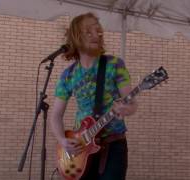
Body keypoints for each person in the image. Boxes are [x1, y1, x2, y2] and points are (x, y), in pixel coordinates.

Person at [49, 12, 137, 180]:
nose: (96, 34)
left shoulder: (114, 64)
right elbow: (55, 115)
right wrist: (62, 140)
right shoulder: (68, 75)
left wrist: (126, 109)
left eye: (98, 31)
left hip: (113, 145)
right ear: (76, 37)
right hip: (81, 148)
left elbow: (132, 104)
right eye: (88, 31)